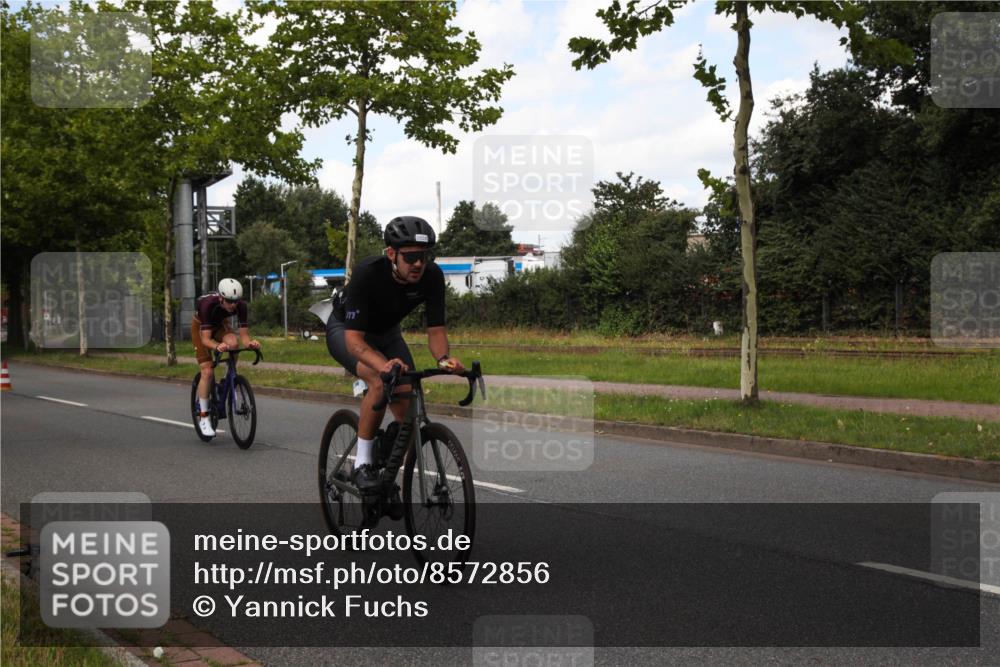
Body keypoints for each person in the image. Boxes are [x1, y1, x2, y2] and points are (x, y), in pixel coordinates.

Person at [325, 216, 464, 493]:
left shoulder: (432, 277)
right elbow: (354, 341)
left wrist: (443, 360)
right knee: (379, 379)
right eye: (411, 257)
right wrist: (383, 364)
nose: (418, 264)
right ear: (391, 254)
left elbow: (436, 330)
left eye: (424, 256)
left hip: (387, 334)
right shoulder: (368, 272)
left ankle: (383, 470)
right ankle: (361, 464)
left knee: (407, 417)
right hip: (348, 332)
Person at [193, 278, 261, 437]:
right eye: (230, 302)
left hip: (219, 324)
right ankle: (204, 416)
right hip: (201, 328)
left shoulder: (241, 306)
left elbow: (244, 336)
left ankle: (226, 379)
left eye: (236, 301)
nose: (233, 305)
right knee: (207, 371)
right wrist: (216, 346)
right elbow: (205, 339)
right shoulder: (208, 305)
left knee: (233, 343)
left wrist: (250, 343)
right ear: (221, 298)